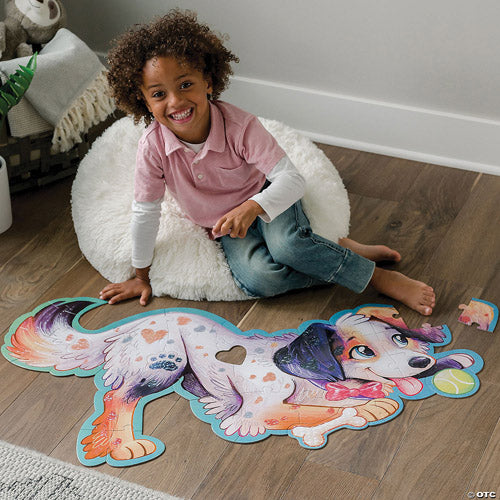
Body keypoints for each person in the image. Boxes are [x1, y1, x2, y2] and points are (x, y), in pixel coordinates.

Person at [100, 10, 436, 315]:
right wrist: (140, 276)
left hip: (267, 196)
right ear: (143, 100)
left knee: (290, 247)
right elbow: (146, 211)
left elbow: (292, 180)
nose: (175, 101)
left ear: (208, 82)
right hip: (223, 225)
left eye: (186, 84)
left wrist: (253, 206)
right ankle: (340, 253)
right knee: (261, 279)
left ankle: (378, 278)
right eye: (159, 94)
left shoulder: (241, 127)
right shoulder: (152, 147)